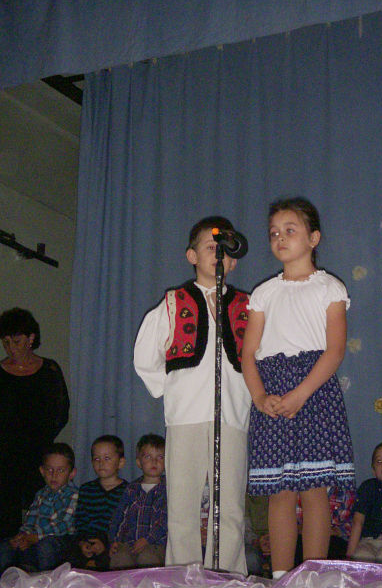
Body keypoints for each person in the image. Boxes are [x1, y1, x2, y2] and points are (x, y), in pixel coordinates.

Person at [242, 197, 354, 579]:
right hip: (273, 390)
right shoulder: (264, 293)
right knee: (280, 491)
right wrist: (260, 396)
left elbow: (334, 350)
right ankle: (281, 576)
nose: (280, 237)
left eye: (290, 230)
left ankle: (314, 575)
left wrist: (301, 394)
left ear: (313, 238)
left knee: (314, 489)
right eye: (274, 232)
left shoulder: (330, 288)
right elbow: (248, 354)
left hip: (313, 390)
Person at [134, 216, 251, 574]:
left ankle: (227, 574)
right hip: (185, 418)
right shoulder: (174, 302)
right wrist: (170, 390)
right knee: (182, 507)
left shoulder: (248, 306)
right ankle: (181, 576)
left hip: (232, 417)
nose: (218, 255)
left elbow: (260, 357)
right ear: (192, 256)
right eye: (210, 247)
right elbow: (145, 354)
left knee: (229, 506)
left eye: (225, 249)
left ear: (234, 259)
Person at [0, 307, 70, 538]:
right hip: (5, 454)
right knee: (6, 520)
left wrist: (39, 439)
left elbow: (61, 412)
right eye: (6, 342)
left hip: (39, 452)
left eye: (16, 341)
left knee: (40, 513)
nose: (11, 348)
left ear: (31, 338)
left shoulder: (49, 370)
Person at [0, 443, 78, 573]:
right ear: (42, 471)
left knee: (46, 546)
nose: (54, 475)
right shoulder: (41, 494)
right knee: (6, 546)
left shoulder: (73, 494)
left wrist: (36, 537)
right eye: (49, 470)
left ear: (71, 473)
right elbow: (30, 519)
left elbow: (64, 525)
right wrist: (23, 535)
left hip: (61, 540)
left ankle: (48, 579)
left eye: (60, 470)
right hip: (35, 538)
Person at [108, 434, 167, 569]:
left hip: (155, 544)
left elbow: (166, 520)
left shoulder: (167, 489)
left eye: (160, 457)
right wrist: (115, 540)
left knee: (147, 559)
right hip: (128, 543)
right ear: (139, 463)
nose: (154, 462)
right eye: (148, 457)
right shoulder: (131, 489)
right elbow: (119, 517)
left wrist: (148, 539)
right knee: (119, 558)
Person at [70, 435, 127, 570]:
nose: (101, 463)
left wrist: (106, 544)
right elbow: (80, 521)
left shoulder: (128, 491)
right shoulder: (86, 489)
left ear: (120, 462)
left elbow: (127, 525)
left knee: (115, 558)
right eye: (97, 459)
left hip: (112, 542)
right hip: (88, 538)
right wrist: (82, 543)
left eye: (107, 458)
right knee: (69, 555)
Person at [295, 485, 355, 563]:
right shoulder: (297, 488)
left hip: (334, 539)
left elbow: (347, 525)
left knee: (334, 548)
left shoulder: (344, 490)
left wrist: (330, 531)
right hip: (300, 536)